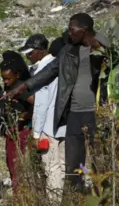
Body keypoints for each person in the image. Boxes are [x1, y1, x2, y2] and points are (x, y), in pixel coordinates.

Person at [9, 15, 107, 191]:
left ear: (84, 29)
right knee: (72, 161)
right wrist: (22, 87)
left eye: (72, 29)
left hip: (97, 110)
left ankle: (102, 195)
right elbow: (49, 71)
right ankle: (77, 199)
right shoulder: (69, 50)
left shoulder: (103, 44)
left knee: (98, 156)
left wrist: (102, 51)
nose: (69, 33)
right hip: (74, 112)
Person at [22, 35, 66, 196]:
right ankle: (68, 202)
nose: (28, 57)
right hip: (63, 123)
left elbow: (40, 104)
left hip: (48, 125)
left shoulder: (43, 70)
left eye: (30, 53)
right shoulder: (58, 64)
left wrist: (36, 133)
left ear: (40, 52)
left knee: (51, 168)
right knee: (64, 165)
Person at [0, 52, 34, 193]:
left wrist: (23, 116)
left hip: (21, 131)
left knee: (17, 165)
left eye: (8, 79)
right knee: (12, 164)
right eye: (3, 79)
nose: (5, 82)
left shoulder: (21, 89)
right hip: (12, 131)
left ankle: (21, 196)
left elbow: (35, 104)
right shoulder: (10, 87)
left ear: (17, 75)